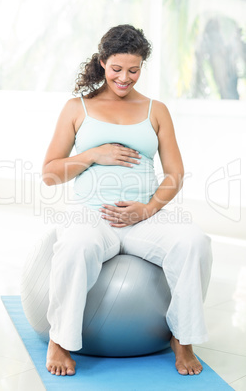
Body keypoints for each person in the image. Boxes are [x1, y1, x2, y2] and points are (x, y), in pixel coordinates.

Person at [42, 24, 212, 377]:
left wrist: (148, 209)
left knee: (194, 242)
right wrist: (93, 155)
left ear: (142, 66)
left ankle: (183, 338)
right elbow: (50, 173)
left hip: (144, 217)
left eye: (133, 70)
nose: (125, 78)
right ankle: (60, 340)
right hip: (91, 214)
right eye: (117, 69)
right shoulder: (78, 108)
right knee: (74, 247)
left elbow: (175, 174)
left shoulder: (156, 110)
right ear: (103, 62)